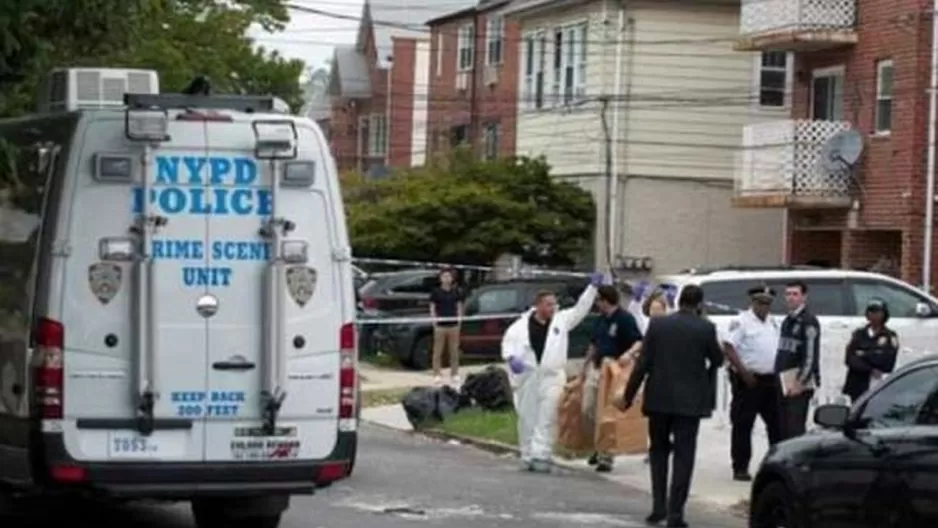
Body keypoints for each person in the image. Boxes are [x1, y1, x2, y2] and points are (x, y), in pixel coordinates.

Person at [619, 285, 724, 528]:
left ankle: (658, 507)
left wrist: (628, 395)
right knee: (684, 457)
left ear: (678, 301)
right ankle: (676, 513)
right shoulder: (705, 328)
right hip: (690, 403)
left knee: (658, 452)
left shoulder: (658, 325)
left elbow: (643, 363)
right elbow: (717, 360)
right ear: (699, 304)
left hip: (659, 398)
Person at [502, 273, 602, 473]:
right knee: (528, 415)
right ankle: (527, 453)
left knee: (549, 415)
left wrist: (592, 289)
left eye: (554, 304)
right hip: (529, 377)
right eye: (549, 304)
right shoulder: (519, 327)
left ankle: (542, 454)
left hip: (552, 375)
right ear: (538, 305)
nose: (553, 308)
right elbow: (508, 344)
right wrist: (512, 359)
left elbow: (580, 310)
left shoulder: (561, 321)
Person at [721, 286, 782, 482]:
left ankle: (775, 464)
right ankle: (740, 467)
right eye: (760, 302)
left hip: (770, 380)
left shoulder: (773, 322)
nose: (763, 306)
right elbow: (729, 347)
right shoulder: (741, 321)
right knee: (743, 424)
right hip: (749, 380)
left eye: (767, 303)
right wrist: (743, 371)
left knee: (776, 425)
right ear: (752, 302)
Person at [581, 285, 643, 472]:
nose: (597, 304)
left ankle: (606, 456)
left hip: (614, 371)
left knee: (607, 415)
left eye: (598, 300)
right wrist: (585, 366)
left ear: (606, 300)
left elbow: (639, 341)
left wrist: (629, 354)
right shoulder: (600, 320)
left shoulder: (625, 319)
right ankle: (598, 445)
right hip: (597, 368)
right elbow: (593, 343)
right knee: (588, 409)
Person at [774, 280, 821, 440]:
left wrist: (799, 382)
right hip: (783, 382)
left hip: (798, 385)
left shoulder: (808, 322)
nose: (791, 298)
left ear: (804, 297)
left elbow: (810, 355)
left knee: (794, 429)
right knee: (782, 428)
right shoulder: (788, 321)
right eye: (788, 294)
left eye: (795, 294)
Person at [842, 298, 899, 403]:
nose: (874, 315)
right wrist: (870, 367)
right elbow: (849, 359)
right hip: (857, 384)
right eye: (871, 311)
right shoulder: (858, 334)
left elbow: (887, 362)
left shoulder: (889, 336)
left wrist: (863, 354)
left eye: (878, 312)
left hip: (878, 384)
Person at [429, 268, 465, 384]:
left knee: (454, 351)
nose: (446, 279)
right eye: (444, 276)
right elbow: (432, 307)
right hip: (440, 326)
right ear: (440, 278)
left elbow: (459, 306)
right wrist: (434, 321)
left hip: (453, 326)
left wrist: (459, 320)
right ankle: (436, 374)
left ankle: (454, 373)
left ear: (452, 278)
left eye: (448, 276)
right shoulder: (436, 292)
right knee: (437, 351)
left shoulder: (456, 292)